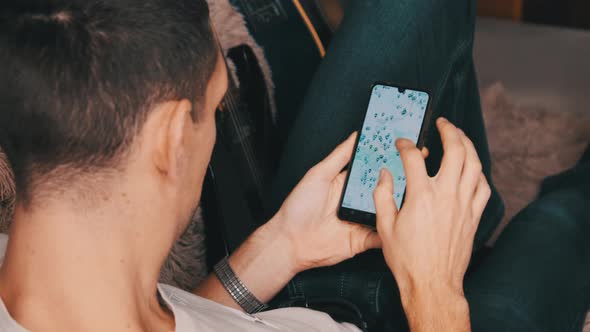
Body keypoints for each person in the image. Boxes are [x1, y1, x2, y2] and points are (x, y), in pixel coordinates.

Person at [0, 2, 588, 332]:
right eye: (214, 104)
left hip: (292, 288)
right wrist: (433, 291)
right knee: (567, 219)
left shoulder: (40, 262)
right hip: (424, 314)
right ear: (174, 137)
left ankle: (467, 230)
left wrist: (284, 244)